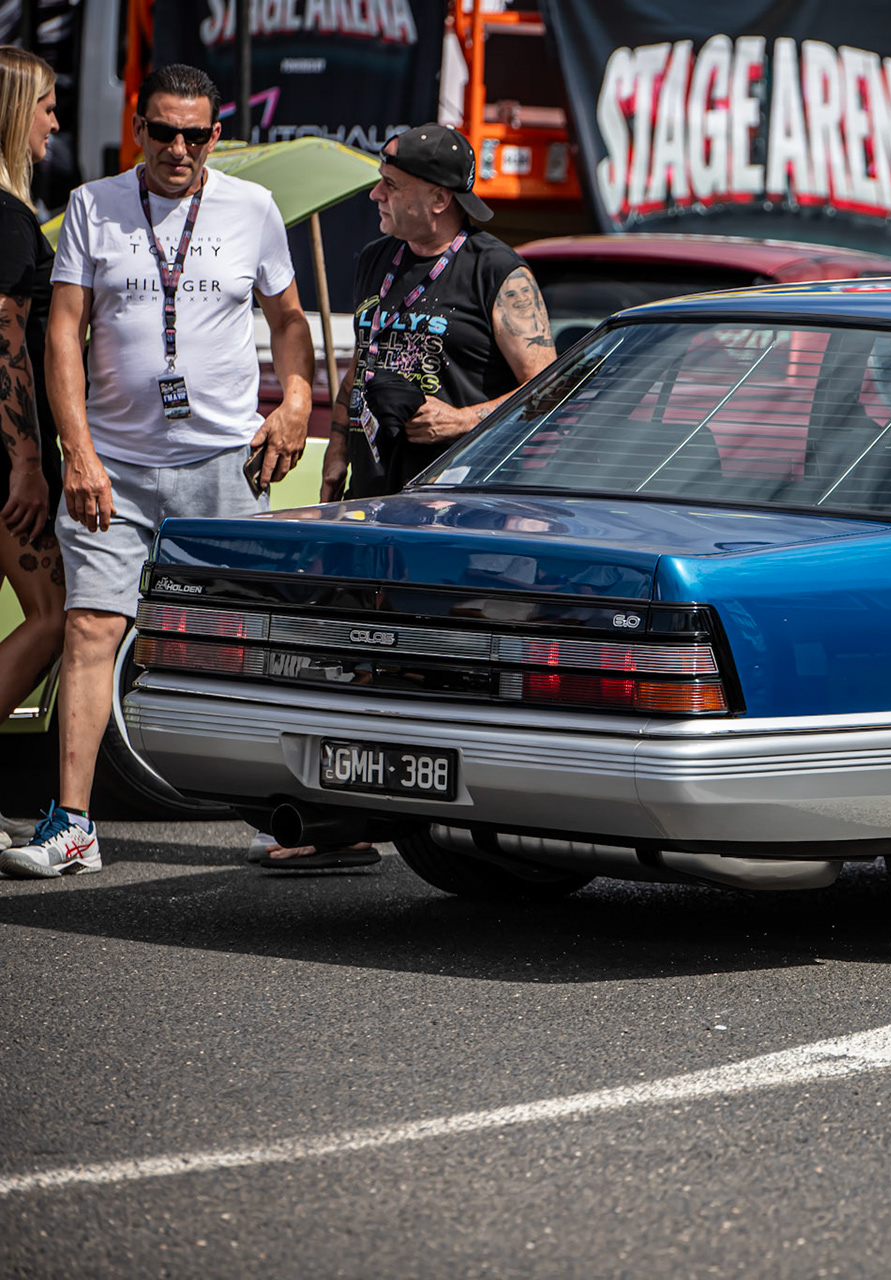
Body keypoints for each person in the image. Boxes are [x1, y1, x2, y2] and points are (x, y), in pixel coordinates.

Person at [0, 64, 314, 879]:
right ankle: (73, 825)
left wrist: (296, 400)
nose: (178, 148)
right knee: (89, 628)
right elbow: (62, 332)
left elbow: (288, 320)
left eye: (195, 134)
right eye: (163, 131)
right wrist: (78, 453)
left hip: (225, 463)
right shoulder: (93, 205)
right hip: (116, 467)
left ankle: (280, 814)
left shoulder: (253, 208)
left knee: (245, 640)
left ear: (217, 135)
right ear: (138, 129)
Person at [320, 124, 554, 503]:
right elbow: (364, 361)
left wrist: (461, 421)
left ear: (439, 199)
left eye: (391, 185)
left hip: (456, 504)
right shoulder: (375, 258)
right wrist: (338, 448)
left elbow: (550, 388)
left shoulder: (496, 270)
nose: (376, 194)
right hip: (370, 497)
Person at [0, 48, 60, 854]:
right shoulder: (9, 220)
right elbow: (5, 343)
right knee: (52, 617)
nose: (54, 120)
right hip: (6, 455)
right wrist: (26, 462)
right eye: (45, 105)